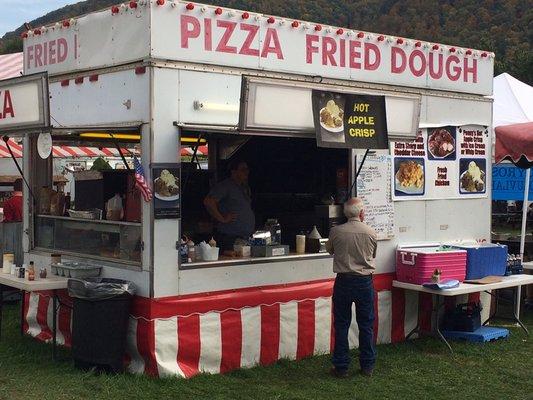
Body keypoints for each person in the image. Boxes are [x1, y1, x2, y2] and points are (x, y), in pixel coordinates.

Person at [326, 197, 377, 378]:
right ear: (362, 213)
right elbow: (373, 254)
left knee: (341, 324)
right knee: (366, 324)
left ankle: (341, 366)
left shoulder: (335, 231)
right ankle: (367, 366)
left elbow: (330, 250)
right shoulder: (371, 232)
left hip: (343, 281)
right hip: (364, 281)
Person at [203, 159, 255, 251]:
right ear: (233, 171)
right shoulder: (225, 186)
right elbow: (209, 202)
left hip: (245, 237)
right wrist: (222, 218)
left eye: (247, 169)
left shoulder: (245, 187)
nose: (246, 172)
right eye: (243, 169)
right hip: (230, 237)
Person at [1, 178, 24, 266]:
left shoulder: (9, 202)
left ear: (13, 188)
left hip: (13, 238)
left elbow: (8, 221)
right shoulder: (29, 202)